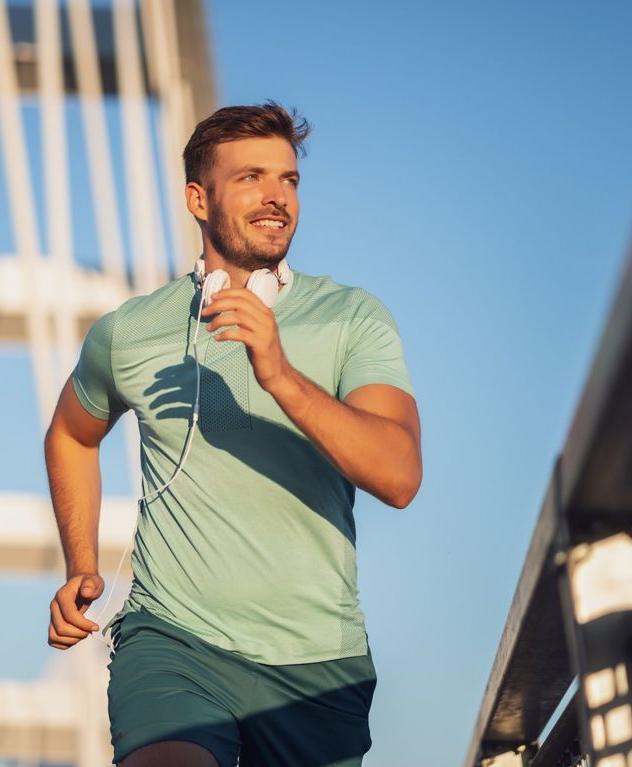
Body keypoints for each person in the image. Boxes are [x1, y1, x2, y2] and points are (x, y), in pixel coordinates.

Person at [44, 102, 422, 767]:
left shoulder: (352, 317)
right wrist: (81, 563)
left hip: (316, 659)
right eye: (252, 177)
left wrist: (280, 375)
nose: (278, 196)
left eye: (290, 180)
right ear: (199, 197)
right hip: (174, 639)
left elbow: (399, 474)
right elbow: (72, 435)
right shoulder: (128, 332)